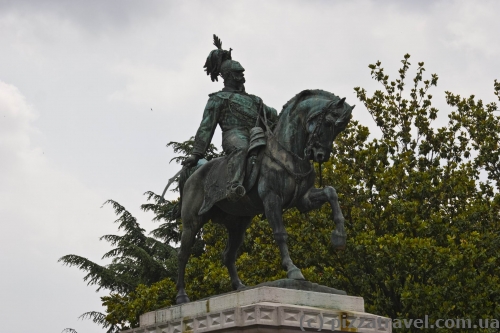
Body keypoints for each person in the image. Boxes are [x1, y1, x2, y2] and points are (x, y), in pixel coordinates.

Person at [182, 36, 278, 202]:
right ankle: (234, 185)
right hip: (234, 135)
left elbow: (273, 115)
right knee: (242, 148)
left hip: (256, 135)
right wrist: (196, 153)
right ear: (229, 76)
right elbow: (206, 127)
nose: (243, 78)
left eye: (243, 74)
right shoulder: (218, 99)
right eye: (239, 74)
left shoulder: (254, 100)